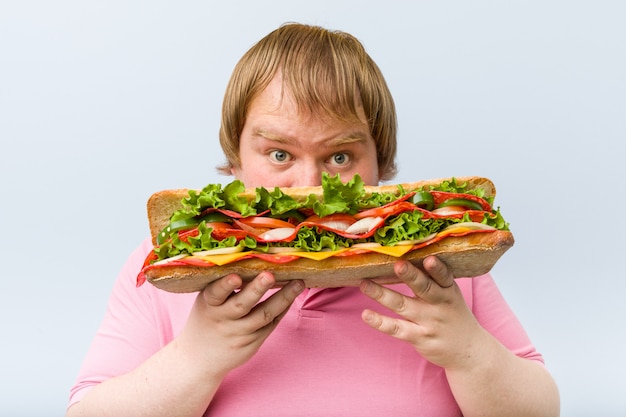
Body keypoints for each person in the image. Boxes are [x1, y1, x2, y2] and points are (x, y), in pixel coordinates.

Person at [66, 23, 560, 417]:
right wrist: (196, 357)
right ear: (235, 161)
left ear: (380, 164)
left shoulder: (440, 273)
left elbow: (542, 410)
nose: (311, 186)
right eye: (279, 153)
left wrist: (468, 352)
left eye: (341, 157)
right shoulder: (164, 272)